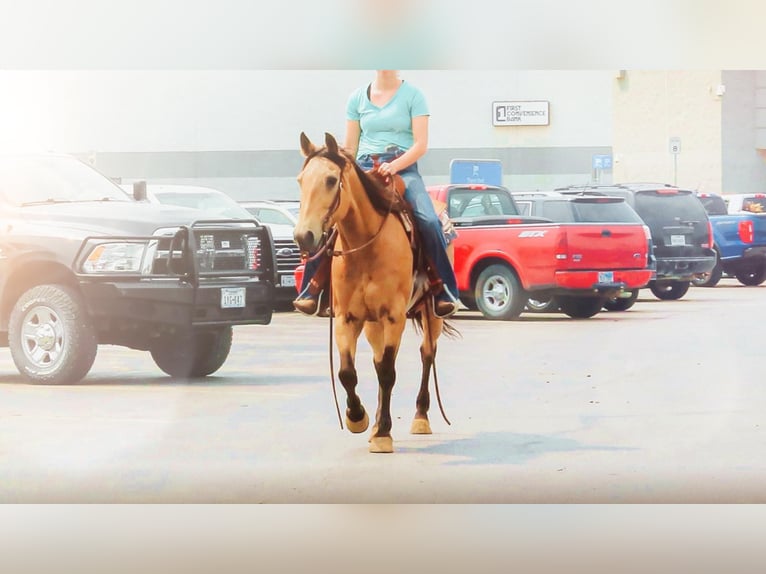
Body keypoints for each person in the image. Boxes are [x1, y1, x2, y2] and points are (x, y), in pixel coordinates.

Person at [294, 70, 459, 319]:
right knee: (333, 215)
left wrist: (395, 165)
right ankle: (312, 289)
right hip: (364, 169)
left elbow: (420, 144)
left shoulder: (414, 96)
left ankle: (444, 291)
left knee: (428, 219)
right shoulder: (357, 98)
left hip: (404, 169)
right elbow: (350, 147)